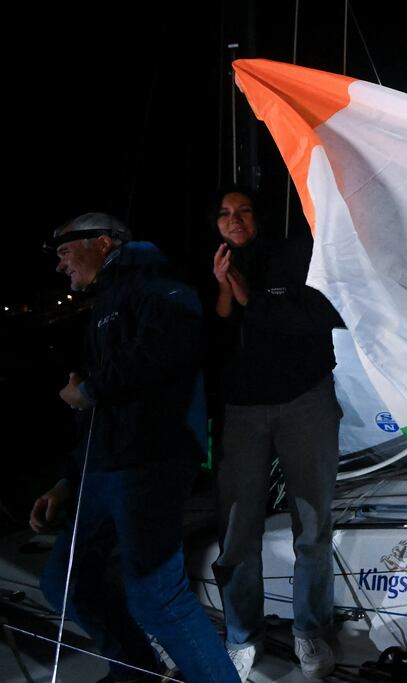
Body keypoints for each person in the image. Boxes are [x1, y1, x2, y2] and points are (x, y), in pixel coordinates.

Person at [33, 213, 238, 683]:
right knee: (65, 582)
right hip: (105, 466)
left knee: (157, 597)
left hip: (151, 459)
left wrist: (89, 390)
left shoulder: (155, 279)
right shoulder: (109, 298)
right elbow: (101, 409)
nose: (60, 266)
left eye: (65, 251)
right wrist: (67, 480)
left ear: (103, 242)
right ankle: (136, 672)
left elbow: (171, 346)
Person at [209, 188, 344, 681]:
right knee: (237, 529)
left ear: (259, 216)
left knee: (312, 522)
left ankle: (311, 629)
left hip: (304, 399)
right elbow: (212, 340)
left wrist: (251, 297)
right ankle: (242, 634)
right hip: (240, 410)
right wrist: (226, 291)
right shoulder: (211, 266)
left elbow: (317, 319)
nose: (235, 220)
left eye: (244, 210)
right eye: (224, 214)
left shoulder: (295, 255)